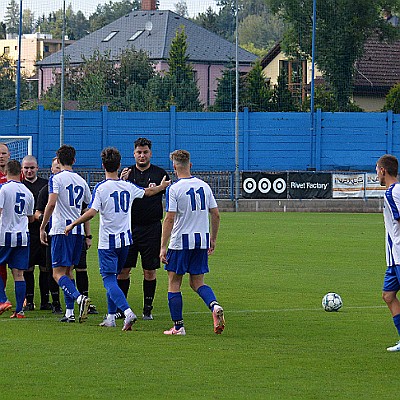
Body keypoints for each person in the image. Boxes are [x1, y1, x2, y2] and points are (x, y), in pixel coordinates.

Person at [65, 147, 170, 331]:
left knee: (109, 279)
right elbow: (146, 192)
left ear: (102, 165)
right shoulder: (127, 186)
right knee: (115, 277)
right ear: (119, 165)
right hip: (125, 241)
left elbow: (91, 212)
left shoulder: (101, 187)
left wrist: (74, 224)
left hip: (108, 242)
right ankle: (111, 317)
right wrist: (161, 187)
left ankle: (127, 311)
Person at [160, 150, 225, 336]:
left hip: (181, 242)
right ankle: (215, 306)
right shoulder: (204, 186)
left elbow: (169, 218)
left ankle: (178, 327)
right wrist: (213, 238)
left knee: (174, 283)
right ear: (190, 164)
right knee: (197, 282)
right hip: (201, 241)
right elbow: (216, 214)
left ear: (174, 167)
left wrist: (163, 246)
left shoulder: (173, 188)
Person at [36, 158, 97, 315]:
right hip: (77, 231)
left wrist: (43, 227)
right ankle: (69, 313)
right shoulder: (81, 180)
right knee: (69, 271)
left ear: (60, 160)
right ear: (74, 160)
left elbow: (51, 204)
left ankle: (79, 298)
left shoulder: (55, 178)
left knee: (57, 273)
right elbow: (88, 206)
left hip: (60, 230)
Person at [118, 137, 170, 320]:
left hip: (152, 228)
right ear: (134, 154)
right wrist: (121, 180)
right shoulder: (126, 174)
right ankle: (121, 308)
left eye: (145, 152)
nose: (142, 155)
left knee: (149, 270)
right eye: (139, 152)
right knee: (123, 270)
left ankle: (147, 308)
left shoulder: (160, 174)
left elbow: (170, 201)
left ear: (150, 153)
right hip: (128, 228)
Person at [0, 160, 34, 318]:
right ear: (20, 172)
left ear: (5, 172)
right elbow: (30, 217)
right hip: (23, 237)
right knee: (19, 274)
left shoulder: (3, 189)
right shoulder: (27, 192)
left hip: (5, 235)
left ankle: (3, 300)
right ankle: (19, 310)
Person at [376, 154, 400, 351]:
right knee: (388, 295)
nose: (376, 174)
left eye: (377, 170)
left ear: (383, 170)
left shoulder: (392, 193)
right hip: (393, 259)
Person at [21, 155, 51, 311]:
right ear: (22, 169)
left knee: (46, 268)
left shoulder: (46, 185)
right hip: (27, 233)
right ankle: (29, 301)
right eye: (26, 168)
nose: (29, 170)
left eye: (32, 167)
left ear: (37, 168)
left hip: (45, 232)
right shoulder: (19, 186)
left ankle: (45, 301)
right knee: (28, 268)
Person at [0, 143, 10, 290]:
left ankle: (25, 298)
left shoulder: (17, 175)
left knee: (19, 266)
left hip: (17, 227)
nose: (0, 156)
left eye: (3, 153)